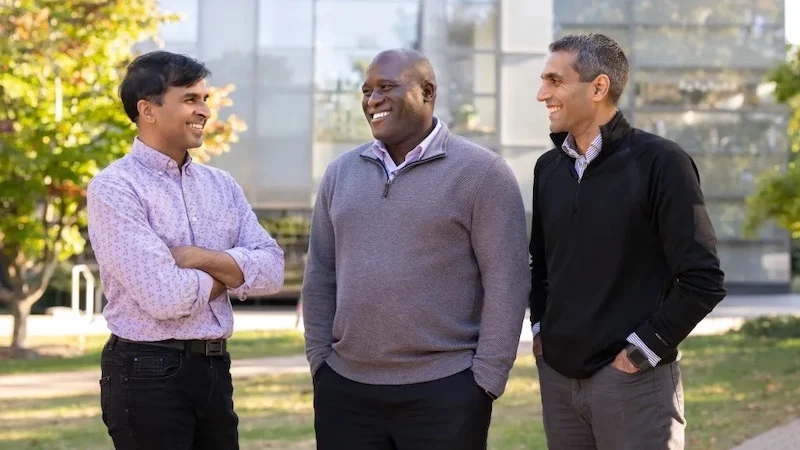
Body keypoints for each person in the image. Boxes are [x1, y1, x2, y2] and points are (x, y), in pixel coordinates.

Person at [302, 48, 530, 450]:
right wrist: (320, 363)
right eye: (367, 90)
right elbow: (321, 271)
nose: (372, 100)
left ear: (427, 92)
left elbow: (507, 282)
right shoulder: (341, 172)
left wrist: (486, 381)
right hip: (345, 390)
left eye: (386, 87)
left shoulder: (482, 173)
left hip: (446, 392)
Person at [529, 33, 727, 449]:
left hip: (631, 382)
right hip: (559, 381)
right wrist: (541, 329)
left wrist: (641, 351)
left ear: (598, 87)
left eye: (554, 80)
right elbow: (542, 264)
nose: (541, 93)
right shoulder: (547, 169)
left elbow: (703, 279)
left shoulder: (662, 163)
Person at [87, 51, 284, 450]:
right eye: (190, 99)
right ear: (148, 110)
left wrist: (196, 258)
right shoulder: (115, 188)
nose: (205, 110)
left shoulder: (222, 185)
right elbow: (165, 296)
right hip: (146, 372)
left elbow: (273, 270)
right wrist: (232, 273)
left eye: (205, 99)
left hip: (214, 367)